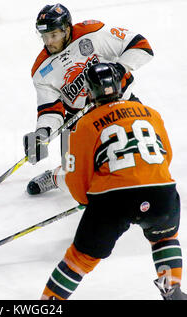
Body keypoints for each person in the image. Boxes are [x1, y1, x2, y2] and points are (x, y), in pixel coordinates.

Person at [40, 63, 186, 300]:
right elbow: (165, 155)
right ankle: (173, 291)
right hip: (161, 192)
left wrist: (89, 203)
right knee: (164, 236)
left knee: (80, 259)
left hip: (113, 201)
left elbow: (77, 179)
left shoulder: (84, 125)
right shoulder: (151, 113)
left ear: (89, 91)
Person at [23, 3, 154, 195]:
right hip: (78, 120)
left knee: (139, 158)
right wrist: (42, 133)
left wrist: (119, 68)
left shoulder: (93, 34)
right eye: (44, 36)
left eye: (54, 35)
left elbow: (142, 46)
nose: (49, 42)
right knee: (74, 180)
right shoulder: (41, 71)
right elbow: (50, 110)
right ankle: (56, 176)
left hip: (120, 104)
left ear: (67, 29)